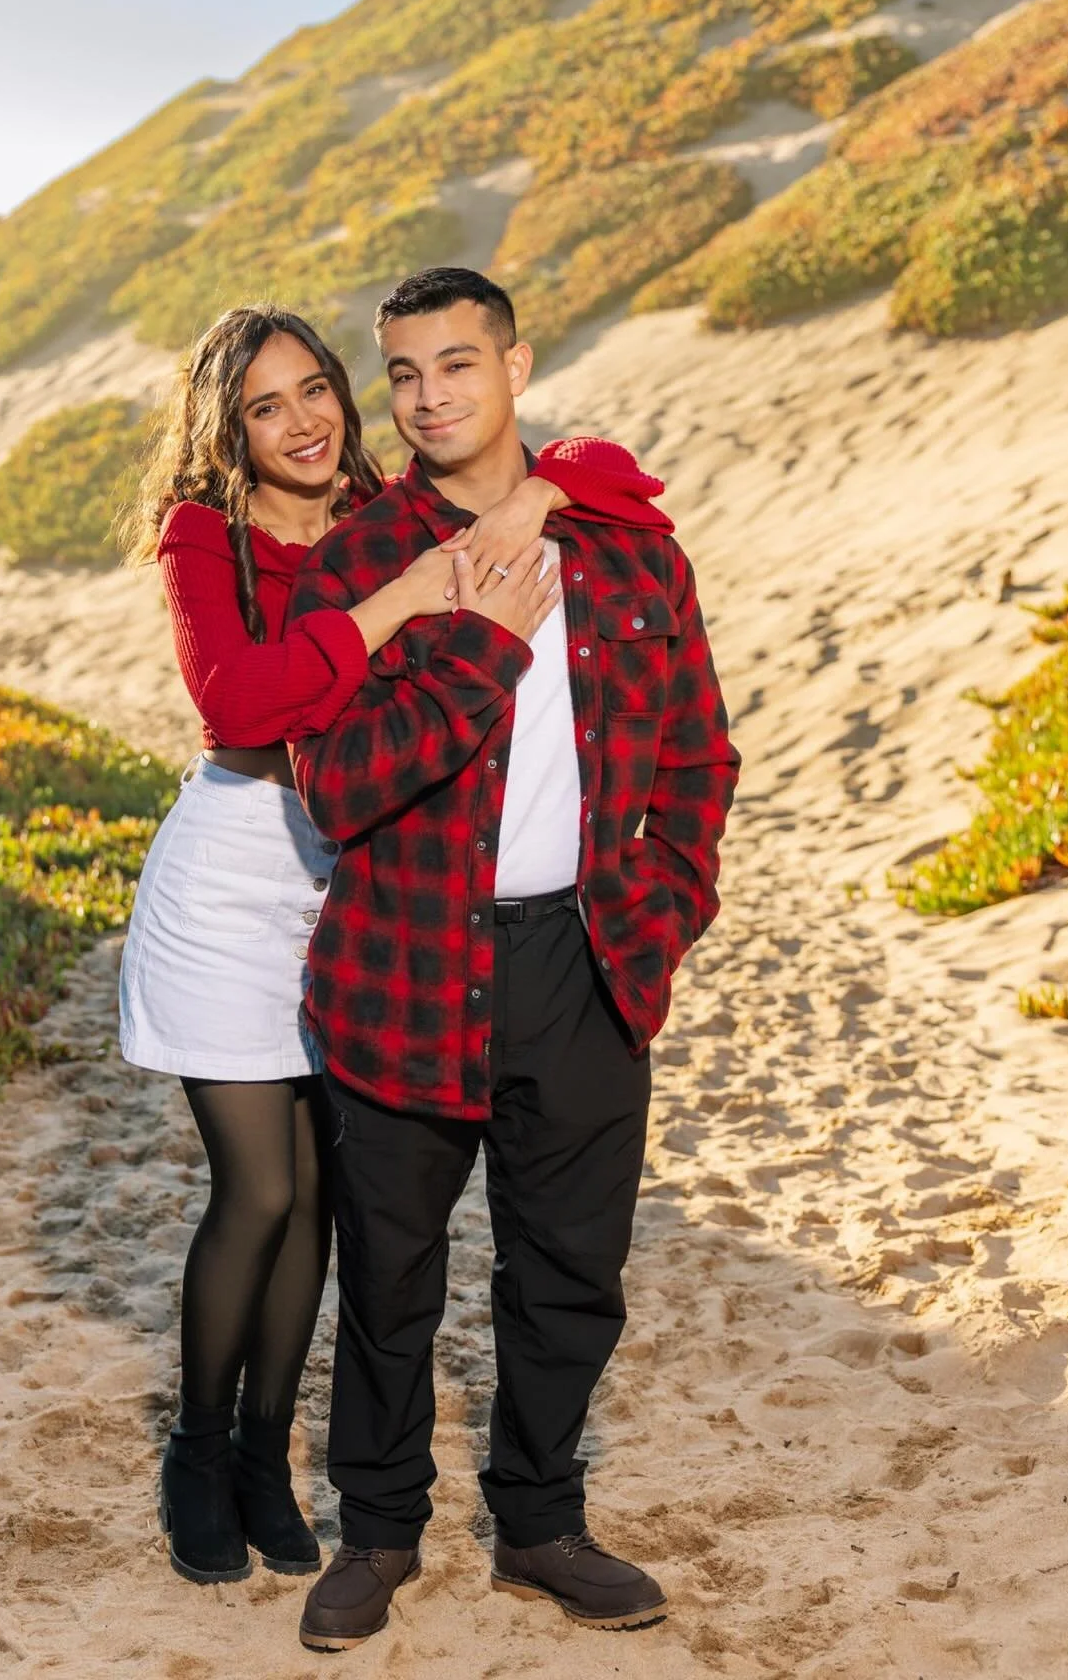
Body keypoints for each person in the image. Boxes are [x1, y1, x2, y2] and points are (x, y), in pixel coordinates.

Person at [116, 302, 666, 1587]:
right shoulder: (210, 534)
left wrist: (545, 495)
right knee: (259, 1191)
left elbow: (554, 475)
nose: (303, 420)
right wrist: (412, 594)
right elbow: (242, 700)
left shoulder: (376, 506)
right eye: (267, 405)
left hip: (366, 886)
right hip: (241, 874)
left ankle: (265, 1450)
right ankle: (198, 1450)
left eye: (317, 390)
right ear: (226, 428)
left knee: (326, 1201)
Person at [286, 268, 740, 1650]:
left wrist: (660, 911)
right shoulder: (363, 563)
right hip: (405, 965)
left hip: (584, 964)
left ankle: (540, 1523)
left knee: (569, 1272)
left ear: (517, 365)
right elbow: (337, 787)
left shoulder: (631, 553)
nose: (428, 399)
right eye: (405, 375)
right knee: (390, 1278)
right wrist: (481, 647)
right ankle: (376, 1536)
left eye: (457, 367)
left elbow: (695, 755)